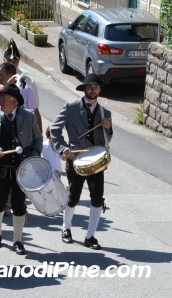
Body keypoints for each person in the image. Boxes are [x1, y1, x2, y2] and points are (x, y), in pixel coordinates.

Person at [50, 74, 113, 250]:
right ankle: (66, 229)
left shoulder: (105, 113)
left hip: (96, 161)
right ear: (84, 89)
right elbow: (55, 128)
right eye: (89, 87)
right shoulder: (71, 107)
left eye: (96, 87)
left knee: (97, 198)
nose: (93, 90)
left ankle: (90, 236)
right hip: (75, 158)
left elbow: (107, 139)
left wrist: (109, 128)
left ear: (99, 90)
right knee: (73, 196)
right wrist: (63, 148)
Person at [0, 84, 42, 255]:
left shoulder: (28, 116)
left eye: (3, 98)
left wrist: (33, 156)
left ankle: (17, 240)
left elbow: (38, 139)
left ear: (14, 101)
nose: (0, 101)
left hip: (22, 171)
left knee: (19, 205)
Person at [0, 39, 41, 109]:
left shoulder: (26, 77)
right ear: (4, 60)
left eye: (15, 60)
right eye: (9, 60)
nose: (13, 63)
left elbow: (35, 100)